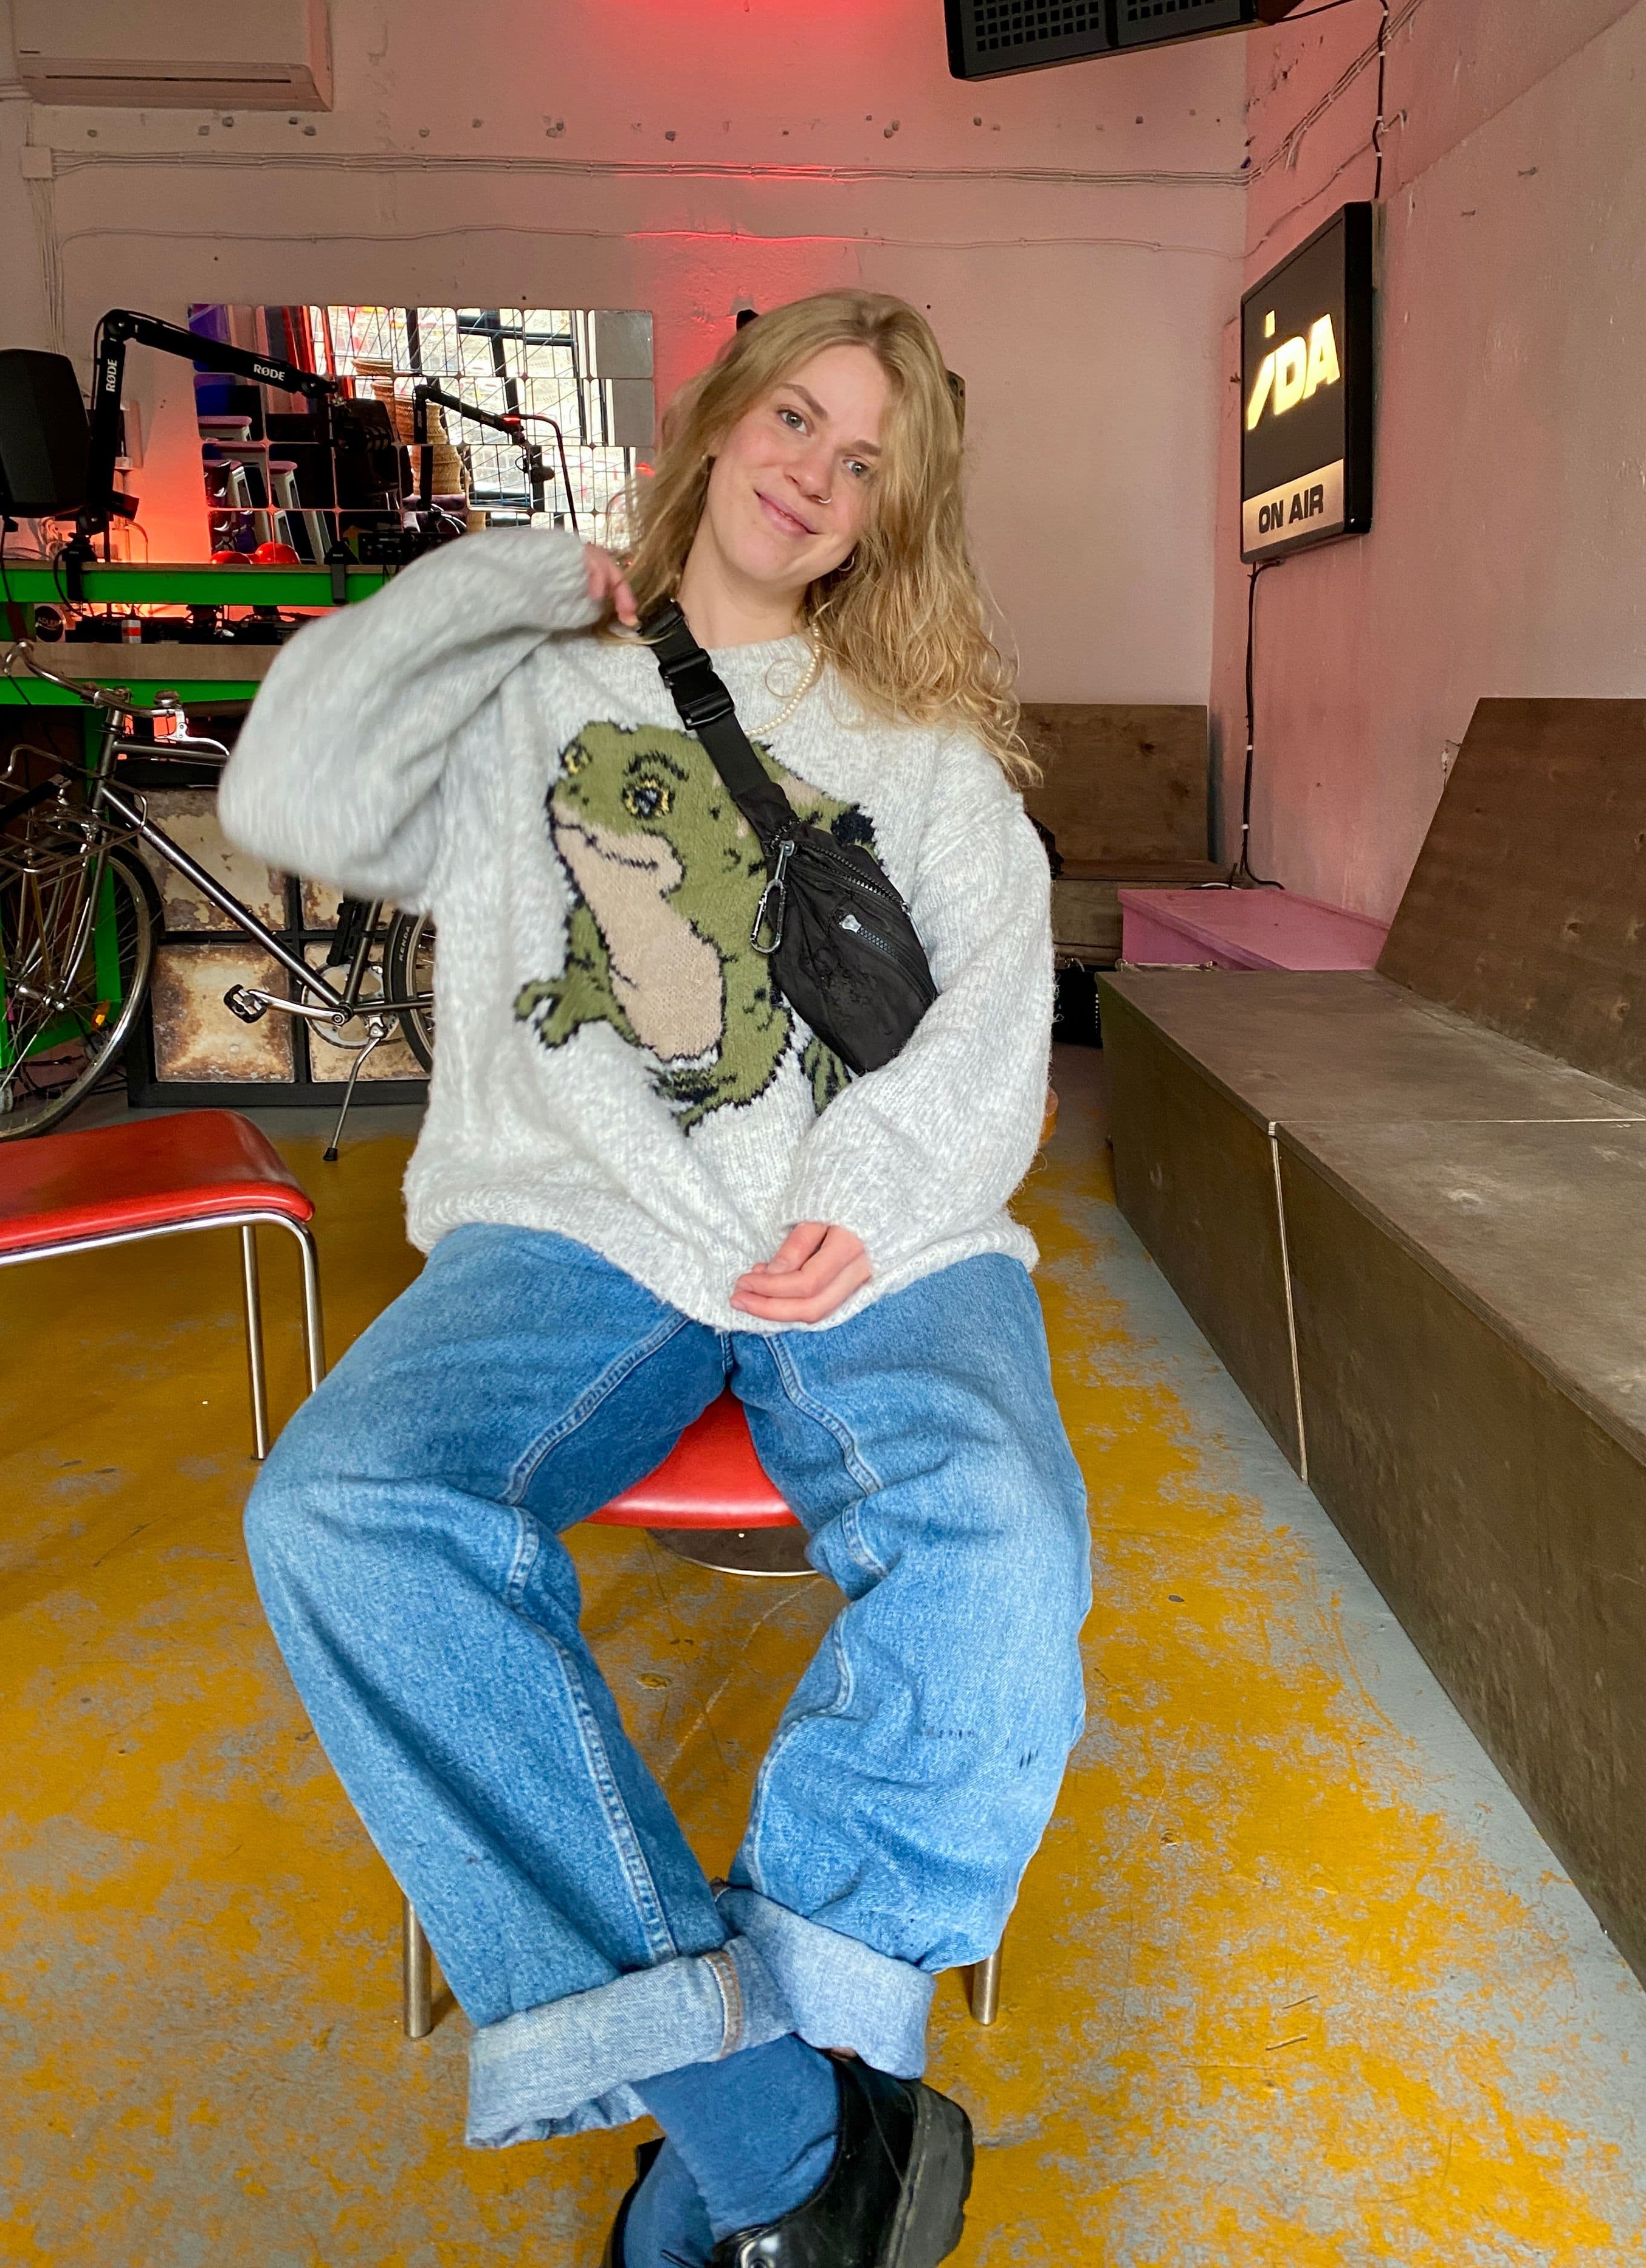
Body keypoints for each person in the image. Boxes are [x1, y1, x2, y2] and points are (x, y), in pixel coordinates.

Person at [222, 290, 1092, 2268]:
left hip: (879, 1236)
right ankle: (779, 2137)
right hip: (582, 1222)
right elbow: (295, 793)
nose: (814, 475)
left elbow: (996, 1015)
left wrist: (871, 1188)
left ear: (887, 517)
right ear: (720, 419)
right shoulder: (535, 690)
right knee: (342, 1507)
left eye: (865, 463)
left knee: (1005, 1536)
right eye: (797, 420)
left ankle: (759, 2151)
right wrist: (520, 578)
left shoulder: (922, 746)